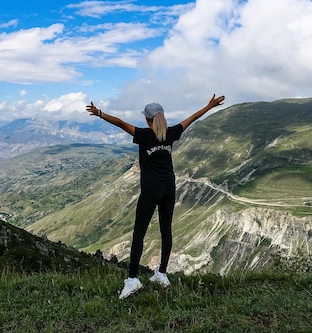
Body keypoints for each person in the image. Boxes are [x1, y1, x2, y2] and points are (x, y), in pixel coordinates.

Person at [86, 94, 225, 299]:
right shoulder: (172, 133)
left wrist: (99, 113)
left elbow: (121, 123)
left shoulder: (143, 135)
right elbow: (192, 118)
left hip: (151, 190)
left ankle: (132, 280)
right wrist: (209, 106)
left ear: (147, 119)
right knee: (165, 231)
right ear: (162, 117)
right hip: (169, 188)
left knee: (139, 234)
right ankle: (161, 273)